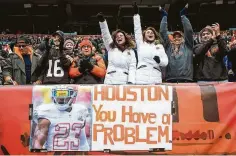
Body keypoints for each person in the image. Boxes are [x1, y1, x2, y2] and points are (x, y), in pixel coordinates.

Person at [32, 86, 89, 151]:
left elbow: (83, 141)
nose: (61, 98)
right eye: (58, 94)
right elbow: (37, 144)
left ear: (73, 95)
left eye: (64, 94)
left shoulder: (81, 110)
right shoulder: (46, 112)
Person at [133, 2, 168, 84]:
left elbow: (165, 62)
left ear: (155, 36)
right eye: (148, 32)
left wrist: (160, 61)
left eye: (152, 33)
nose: (150, 33)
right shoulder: (140, 44)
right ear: (144, 36)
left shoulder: (159, 46)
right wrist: (136, 15)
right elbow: (137, 30)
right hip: (141, 77)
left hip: (156, 78)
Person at [97, 12, 136, 84]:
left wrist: (131, 81)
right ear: (114, 40)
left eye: (121, 36)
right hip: (110, 81)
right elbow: (105, 34)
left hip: (125, 81)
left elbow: (132, 67)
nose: (119, 37)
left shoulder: (131, 51)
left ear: (125, 38)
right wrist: (102, 22)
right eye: (117, 36)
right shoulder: (111, 48)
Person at [160, 4, 194, 83]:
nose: (177, 38)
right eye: (175, 37)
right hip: (170, 79)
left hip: (186, 79)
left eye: (179, 36)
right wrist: (164, 17)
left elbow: (189, 31)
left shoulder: (188, 46)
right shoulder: (168, 46)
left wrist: (183, 16)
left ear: (183, 38)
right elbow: (162, 32)